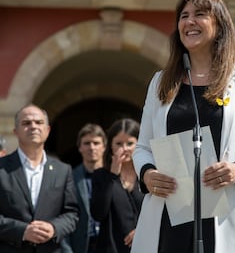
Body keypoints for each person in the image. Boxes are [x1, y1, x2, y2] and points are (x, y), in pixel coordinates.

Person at [131, 0, 235, 253]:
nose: (189, 21)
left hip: (230, 214)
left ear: (220, 24)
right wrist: (147, 174)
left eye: (200, 14)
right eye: (184, 16)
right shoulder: (161, 81)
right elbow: (143, 147)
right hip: (171, 215)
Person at [0, 104, 79, 252]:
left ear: (47, 130)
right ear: (15, 132)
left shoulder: (63, 170)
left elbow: (72, 214)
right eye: (26, 123)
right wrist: (22, 231)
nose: (33, 126)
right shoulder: (2, 168)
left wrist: (54, 228)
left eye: (39, 122)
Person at [91, 118, 144, 253]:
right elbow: (98, 213)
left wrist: (143, 230)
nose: (124, 149)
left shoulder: (147, 174)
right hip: (111, 247)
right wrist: (113, 176)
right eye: (119, 144)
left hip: (145, 245)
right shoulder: (100, 175)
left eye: (130, 143)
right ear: (111, 146)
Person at [65, 124, 107, 253]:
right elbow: (62, 215)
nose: (92, 147)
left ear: (104, 147)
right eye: (87, 143)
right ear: (80, 147)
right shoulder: (69, 177)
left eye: (96, 143)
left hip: (109, 245)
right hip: (81, 246)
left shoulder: (115, 176)